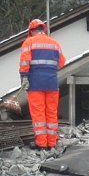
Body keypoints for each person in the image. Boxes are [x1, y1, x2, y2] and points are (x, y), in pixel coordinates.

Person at [19, 18, 66, 149]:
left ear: (32, 31)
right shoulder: (55, 43)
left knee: (38, 113)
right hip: (52, 82)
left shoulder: (28, 42)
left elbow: (24, 63)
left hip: (35, 83)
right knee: (51, 112)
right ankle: (51, 143)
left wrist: (24, 78)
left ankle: (41, 143)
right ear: (43, 30)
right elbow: (62, 62)